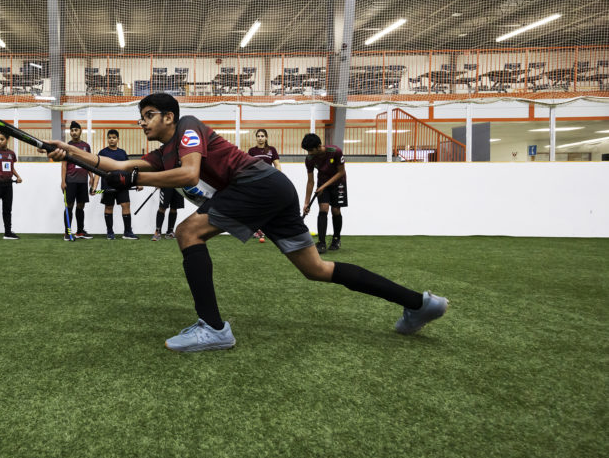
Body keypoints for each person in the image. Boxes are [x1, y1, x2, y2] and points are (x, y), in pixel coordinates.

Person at [45, 92, 447, 352]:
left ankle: (214, 328)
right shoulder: (161, 151)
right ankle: (420, 304)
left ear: (169, 117)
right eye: (141, 118)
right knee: (317, 269)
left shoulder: (187, 129)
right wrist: (70, 152)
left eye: (149, 116)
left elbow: (186, 175)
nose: (143, 123)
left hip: (256, 184)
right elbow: (113, 164)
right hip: (274, 191)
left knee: (188, 232)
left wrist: (130, 177)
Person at [91, 129, 140, 240]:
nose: (111, 139)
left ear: (118, 139)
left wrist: (137, 183)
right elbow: (98, 171)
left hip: (122, 185)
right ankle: (110, 232)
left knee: (125, 205)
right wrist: (94, 187)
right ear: (107, 139)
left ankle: (127, 232)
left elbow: (129, 170)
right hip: (107, 185)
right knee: (109, 207)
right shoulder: (102, 153)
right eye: (109, 137)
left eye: (114, 137)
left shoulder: (122, 153)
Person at [301, 133, 347, 253]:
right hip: (323, 184)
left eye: (311, 150)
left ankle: (336, 239)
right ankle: (321, 243)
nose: (309, 153)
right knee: (323, 208)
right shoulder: (309, 159)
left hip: (339, 183)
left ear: (319, 146)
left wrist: (324, 186)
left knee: (336, 210)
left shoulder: (335, 151)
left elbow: (341, 172)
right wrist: (306, 203)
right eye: (307, 151)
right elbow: (310, 181)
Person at [0, 132, 23, 241]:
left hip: (8, 185)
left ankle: (7, 233)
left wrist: (18, 176)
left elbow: (11, 167)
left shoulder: (12, 153)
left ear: (8, 139)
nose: (0, 141)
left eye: (2, 139)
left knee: (7, 210)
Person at [247, 128, 281, 242]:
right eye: (258, 136)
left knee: (269, 205)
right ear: (256, 138)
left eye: (262, 136)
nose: (260, 138)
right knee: (256, 206)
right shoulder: (252, 151)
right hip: (256, 182)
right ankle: (257, 230)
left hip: (270, 181)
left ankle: (270, 229)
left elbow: (277, 165)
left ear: (266, 138)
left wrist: (279, 178)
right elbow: (249, 167)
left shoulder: (272, 150)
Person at [61, 121, 93, 239]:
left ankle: (80, 231)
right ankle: (67, 232)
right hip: (70, 181)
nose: (74, 132)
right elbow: (64, 165)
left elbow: (89, 162)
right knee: (69, 205)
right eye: (72, 130)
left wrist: (91, 176)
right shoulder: (66, 146)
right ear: (70, 132)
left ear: (80, 131)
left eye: (76, 130)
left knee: (81, 206)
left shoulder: (86, 146)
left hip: (82, 181)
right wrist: (63, 181)